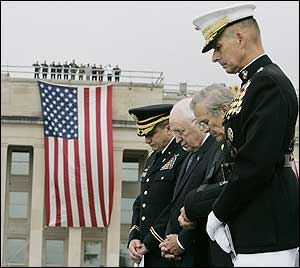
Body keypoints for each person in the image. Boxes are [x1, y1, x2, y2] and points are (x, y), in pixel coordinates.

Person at [192, 3, 299, 267]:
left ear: (240, 38)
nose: (215, 57)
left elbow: (256, 163)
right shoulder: (251, 85)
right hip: (253, 224)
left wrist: (218, 212)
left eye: (217, 47)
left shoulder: (268, 84)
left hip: (267, 227)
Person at [152, 98, 219, 267]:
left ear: (198, 123)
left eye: (180, 132)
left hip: (201, 252)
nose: (177, 140)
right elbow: (176, 203)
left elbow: (212, 202)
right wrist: (169, 242)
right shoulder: (190, 154)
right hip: (183, 255)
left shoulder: (215, 150)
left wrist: (182, 241)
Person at [178, 84, 234, 267]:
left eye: (206, 122)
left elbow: (235, 185)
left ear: (224, 111)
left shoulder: (239, 143)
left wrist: (193, 205)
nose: (205, 129)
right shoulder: (222, 144)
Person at [127, 104, 187, 267]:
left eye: (151, 134)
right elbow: (141, 201)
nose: (147, 140)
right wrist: (135, 237)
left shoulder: (182, 155)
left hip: (165, 247)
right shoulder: (153, 158)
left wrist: (150, 242)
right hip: (147, 250)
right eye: (144, 135)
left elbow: (175, 204)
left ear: (168, 129)